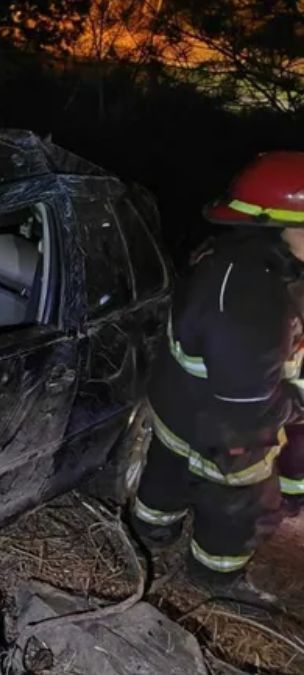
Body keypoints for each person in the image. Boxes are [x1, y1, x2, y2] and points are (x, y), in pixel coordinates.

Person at [131, 151, 304, 606]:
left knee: (165, 470)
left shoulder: (229, 258)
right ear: (281, 226)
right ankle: (215, 578)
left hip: (179, 406)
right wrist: (296, 404)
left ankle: (151, 528)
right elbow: (247, 404)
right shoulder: (254, 300)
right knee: (240, 507)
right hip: (228, 432)